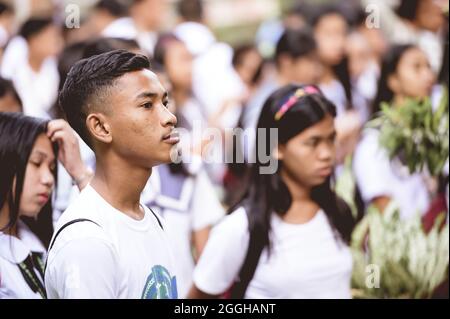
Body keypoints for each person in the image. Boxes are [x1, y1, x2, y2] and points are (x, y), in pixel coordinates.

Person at [189, 84, 356, 299]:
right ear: (276, 147)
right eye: (312, 142)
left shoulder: (337, 211)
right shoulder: (242, 228)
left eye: (331, 139)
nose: (326, 153)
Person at [45, 50, 179, 299]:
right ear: (100, 127)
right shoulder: (86, 241)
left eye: (165, 103)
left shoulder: (148, 219)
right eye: (147, 105)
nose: (169, 118)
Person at [0, 112, 91, 298]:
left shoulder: (40, 241)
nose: (49, 179)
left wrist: (80, 173)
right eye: (36, 162)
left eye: (51, 168)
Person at [353, 44, 436, 219]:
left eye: (429, 67)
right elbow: (385, 211)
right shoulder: (374, 143)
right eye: (417, 67)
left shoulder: (428, 134)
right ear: (393, 81)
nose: (428, 76)